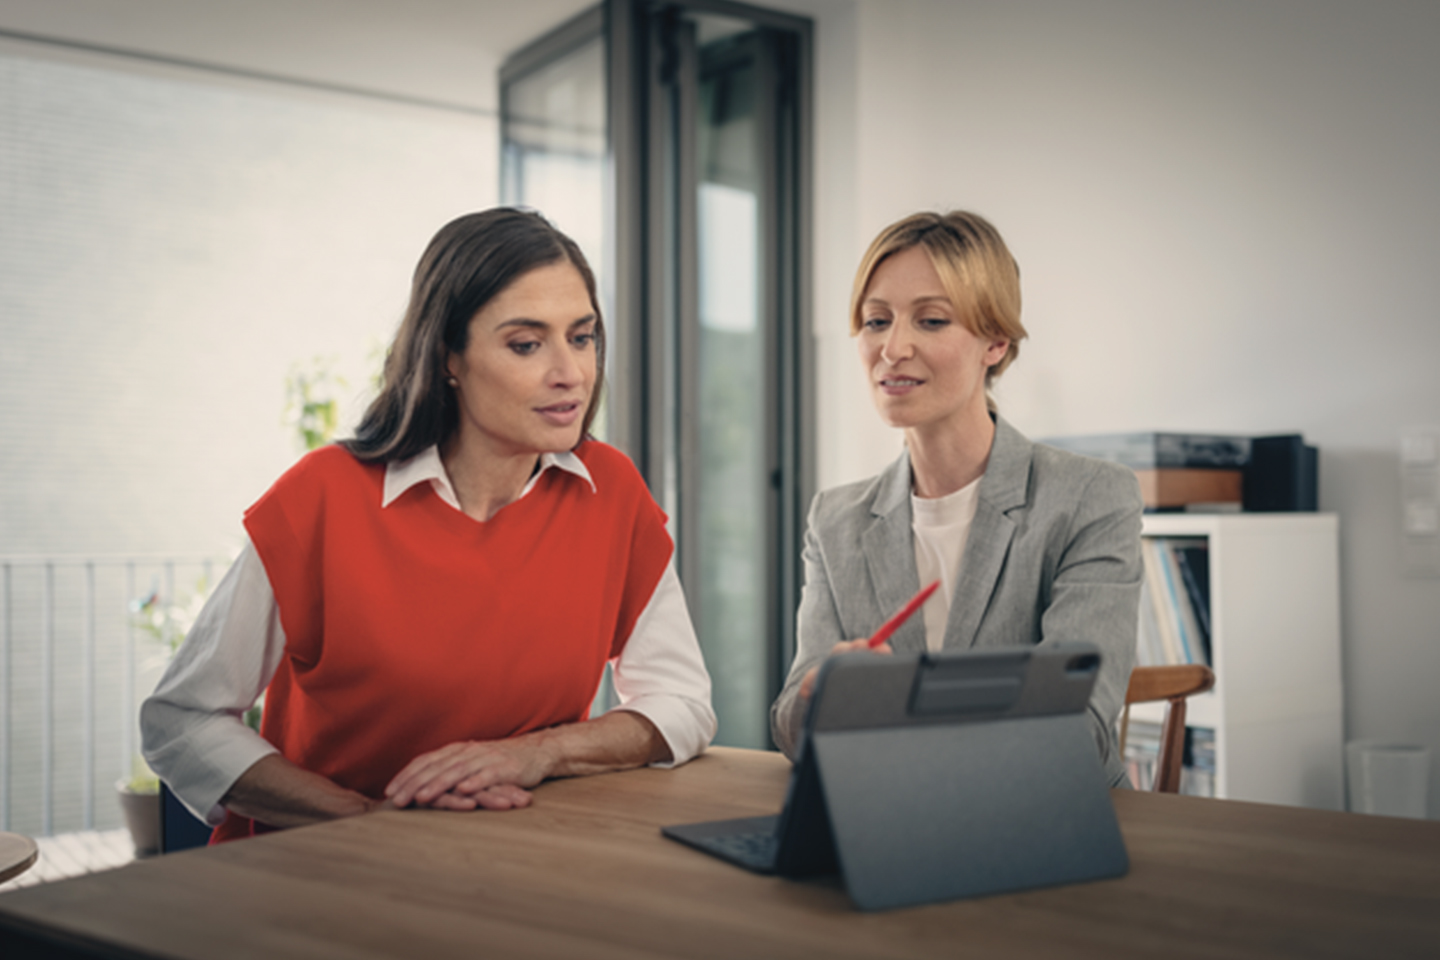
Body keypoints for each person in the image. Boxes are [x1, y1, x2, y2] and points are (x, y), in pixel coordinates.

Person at [143, 208, 716, 841]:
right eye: (526, 345)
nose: (571, 373)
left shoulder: (612, 492)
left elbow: (680, 701)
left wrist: (536, 754)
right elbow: (181, 720)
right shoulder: (323, 497)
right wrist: (362, 821)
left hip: (512, 859)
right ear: (449, 357)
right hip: (319, 868)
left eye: (582, 338)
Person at [769, 211, 1141, 787]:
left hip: (1043, 818)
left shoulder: (1091, 499)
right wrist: (821, 698)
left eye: (932, 320)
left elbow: (1079, 731)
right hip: (883, 812)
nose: (893, 348)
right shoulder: (834, 521)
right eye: (876, 321)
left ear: (996, 341)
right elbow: (791, 727)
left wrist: (898, 712)